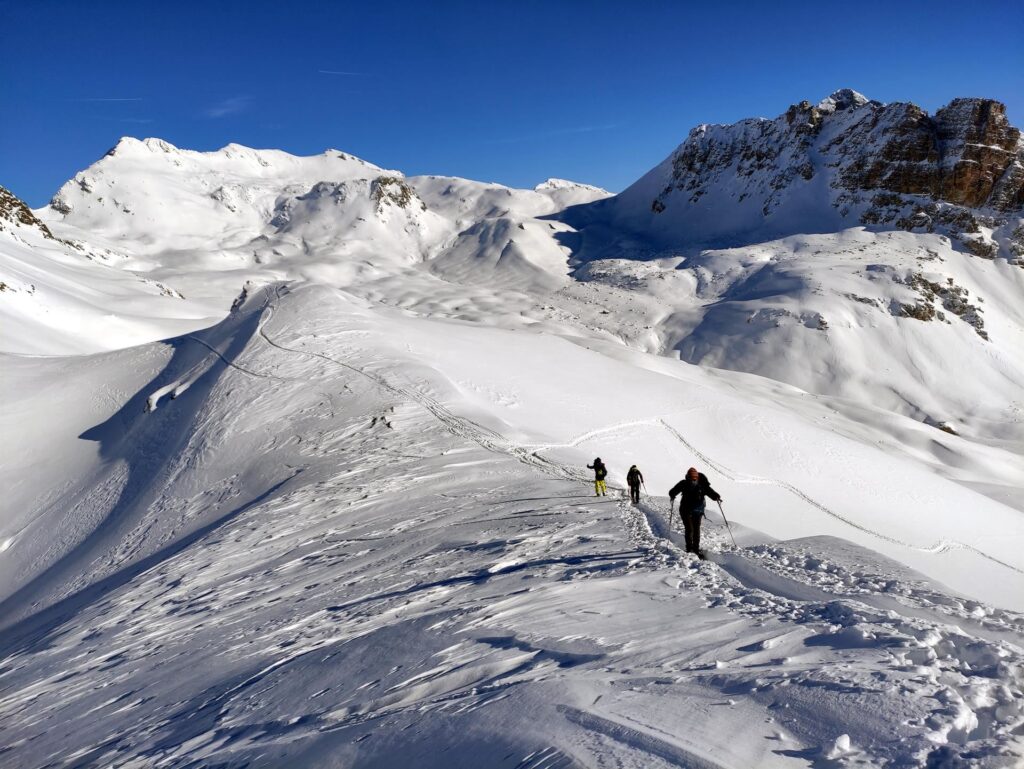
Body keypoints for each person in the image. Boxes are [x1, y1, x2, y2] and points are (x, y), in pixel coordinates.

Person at [668, 467, 722, 554]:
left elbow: (711, 493)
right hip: (687, 510)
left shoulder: (701, 484)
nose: (693, 480)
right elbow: (672, 491)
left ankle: (695, 549)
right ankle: (690, 549)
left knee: (694, 530)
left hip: (696, 510)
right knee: (690, 529)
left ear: (697, 477)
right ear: (688, 477)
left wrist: (716, 496)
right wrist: (716, 497)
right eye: (691, 478)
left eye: (694, 478)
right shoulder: (685, 483)